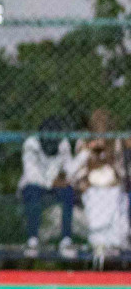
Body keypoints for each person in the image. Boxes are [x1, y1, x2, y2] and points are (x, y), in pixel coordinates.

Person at [72, 108, 129, 259]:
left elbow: (120, 169)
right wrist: (91, 152)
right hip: (91, 187)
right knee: (95, 200)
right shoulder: (83, 141)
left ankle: (114, 245)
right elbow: (77, 170)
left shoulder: (115, 141)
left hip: (112, 186)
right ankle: (98, 245)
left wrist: (107, 156)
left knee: (116, 198)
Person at [18, 117, 76, 257]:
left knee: (68, 192)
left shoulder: (63, 144)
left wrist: (66, 178)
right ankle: (32, 241)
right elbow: (32, 175)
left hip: (56, 186)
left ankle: (66, 240)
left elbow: (69, 168)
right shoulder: (31, 144)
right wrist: (52, 182)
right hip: (34, 185)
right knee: (32, 192)